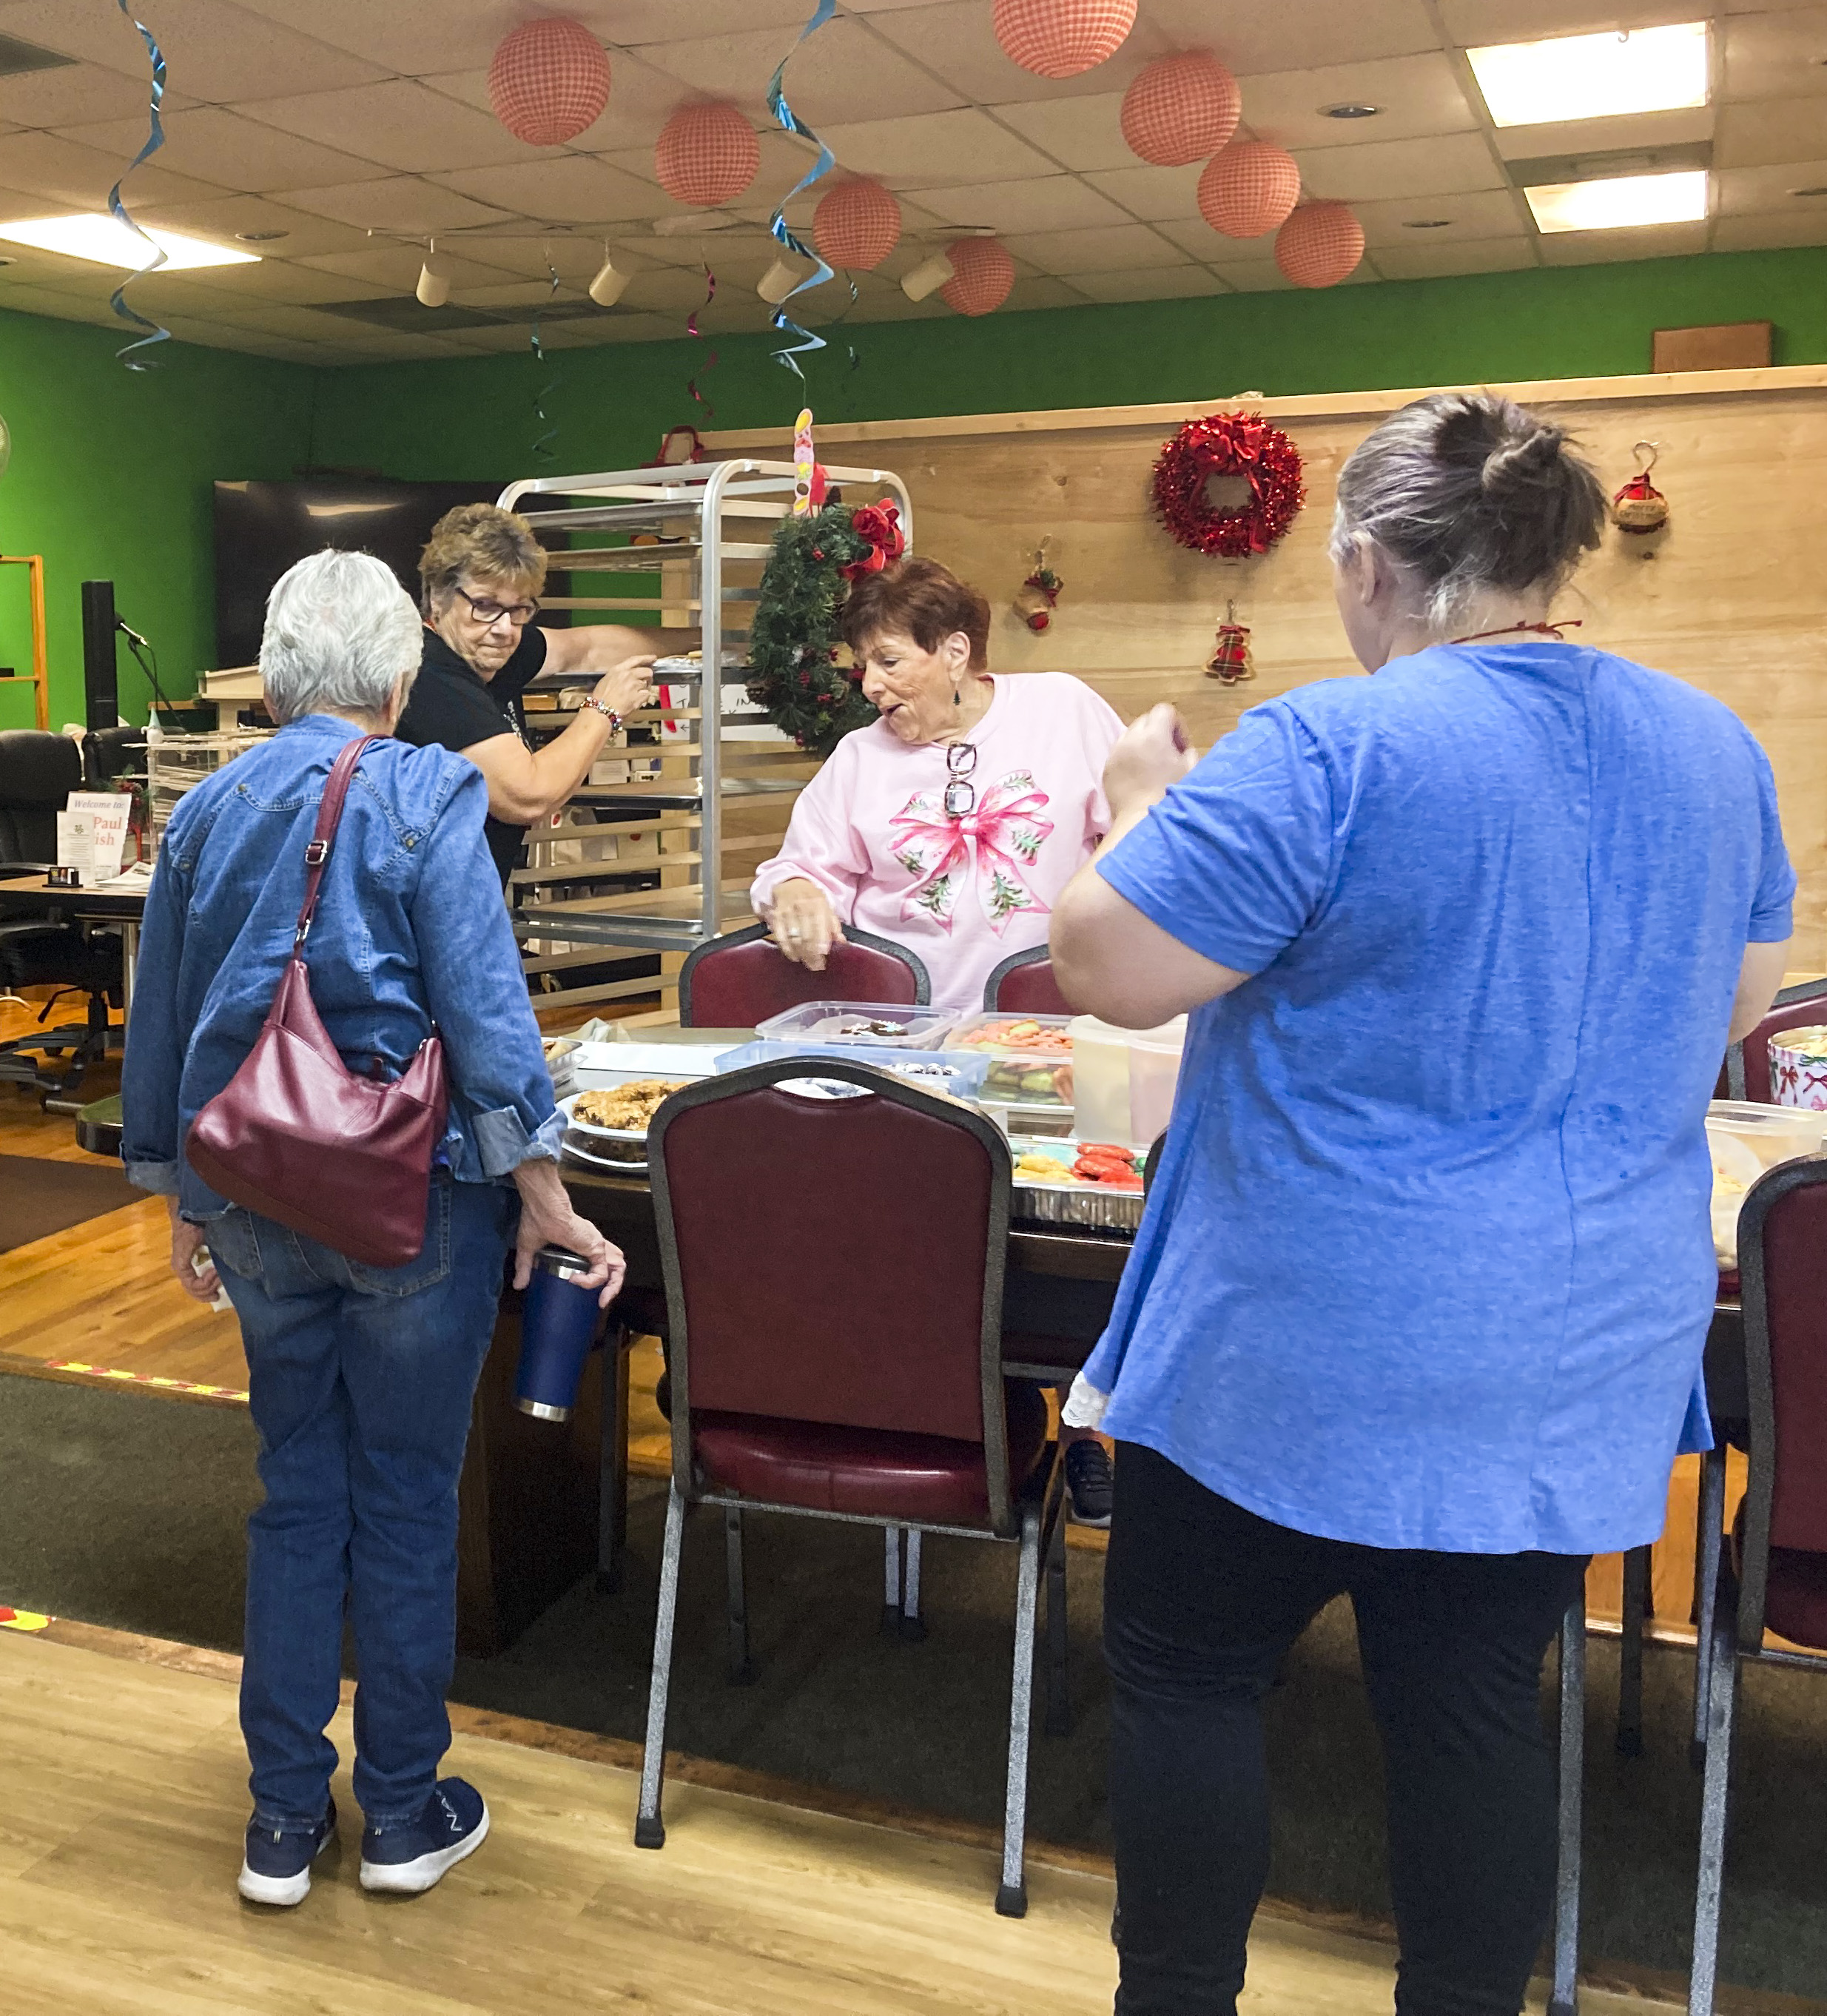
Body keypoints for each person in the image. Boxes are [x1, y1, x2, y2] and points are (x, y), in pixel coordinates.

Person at [1049, 392, 1793, 2016]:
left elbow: (1105, 965)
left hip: (1298, 1346)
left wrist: (1135, 798)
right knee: (1465, 1708)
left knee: (1187, 1674)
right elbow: (1731, 1004)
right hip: (1565, 1352)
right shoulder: (1710, 748)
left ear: (1369, 563)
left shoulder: (1328, 744)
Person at [121, 550, 625, 1912]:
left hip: (254, 1194)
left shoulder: (204, 808)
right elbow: (482, 1005)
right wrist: (544, 1191)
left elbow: (164, 1013)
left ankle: (281, 1823)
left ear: (277, 680)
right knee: (405, 1500)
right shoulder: (427, 791)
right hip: (414, 1202)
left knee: (296, 1495)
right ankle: (402, 1812)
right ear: (402, 679)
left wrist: (179, 1198)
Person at [750, 554, 1126, 1524]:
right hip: (909, 1051)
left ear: (955, 652)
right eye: (862, 667)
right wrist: (797, 892)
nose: (870, 688)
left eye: (888, 662)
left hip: (1060, 1035)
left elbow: (1141, 822)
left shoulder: (1063, 711)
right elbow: (798, 866)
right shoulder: (858, 759)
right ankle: (936, 1404)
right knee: (929, 1240)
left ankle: (1087, 1426)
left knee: (1073, 1247)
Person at [396, 502, 689, 888]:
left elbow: (587, 648)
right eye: (484, 605)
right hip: (413, 911)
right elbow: (527, 796)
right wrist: (603, 709)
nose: (505, 628)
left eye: (519, 609)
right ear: (439, 597)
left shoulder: (489, 648)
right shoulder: (428, 672)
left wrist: (714, 640)